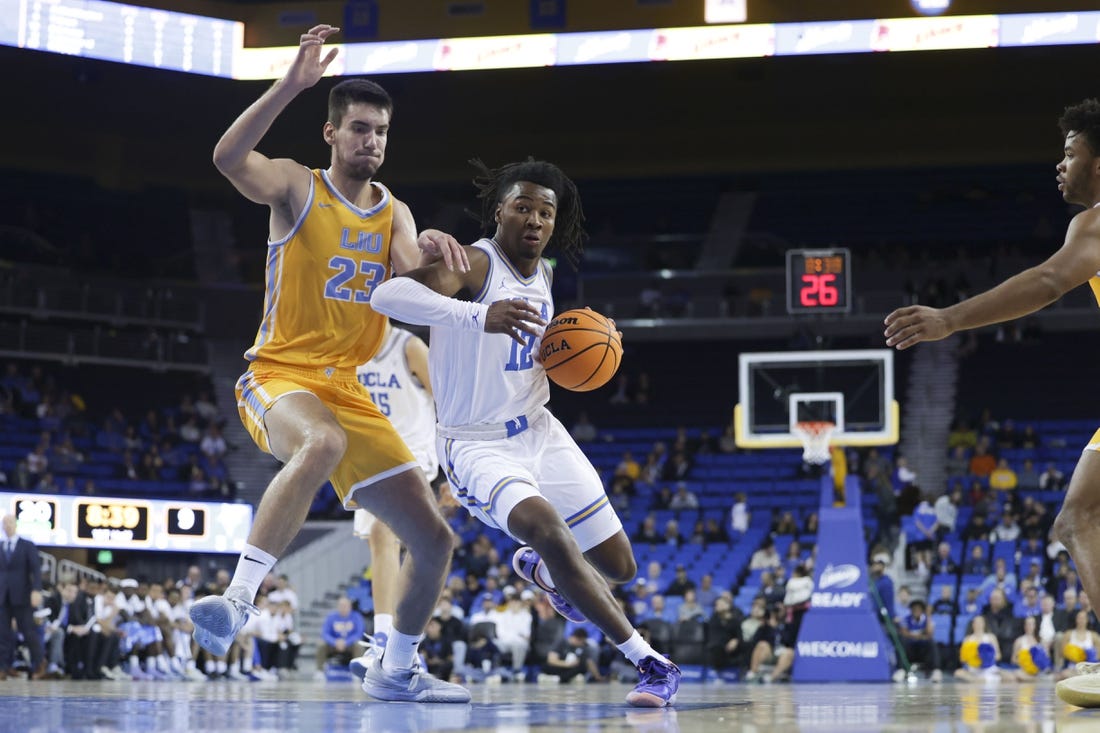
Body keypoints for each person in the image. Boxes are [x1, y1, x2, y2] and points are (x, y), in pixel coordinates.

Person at [186, 24, 470, 704]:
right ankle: (238, 601)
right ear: (331, 134)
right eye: (361, 129)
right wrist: (290, 84)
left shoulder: (393, 209)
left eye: (381, 133)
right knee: (322, 440)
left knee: (434, 541)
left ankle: (395, 667)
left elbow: (420, 285)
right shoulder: (295, 186)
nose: (372, 141)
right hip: (280, 374)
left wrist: (442, 254)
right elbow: (227, 157)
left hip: (348, 386)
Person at [369, 158, 680, 707]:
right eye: (523, 207)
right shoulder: (475, 266)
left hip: (540, 427)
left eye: (546, 212)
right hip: (476, 443)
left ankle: (544, 571)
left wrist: (583, 351)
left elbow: (533, 352)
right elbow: (386, 298)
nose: (535, 220)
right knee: (548, 529)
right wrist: (475, 316)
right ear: (499, 213)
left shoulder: (548, 274)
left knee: (619, 567)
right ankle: (650, 662)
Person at [886, 99, 1100, 686]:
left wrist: (949, 319)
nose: (1059, 164)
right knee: (1076, 519)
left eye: (1070, 152)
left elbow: (1049, 279)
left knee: (1079, 519)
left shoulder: (1097, 222)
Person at [347, 318, 454, 679]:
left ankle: (384, 640)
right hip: (370, 459)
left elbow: (448, 404)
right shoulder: (347, 350)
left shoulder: (407, 346)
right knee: (382, 544)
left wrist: (454, 468)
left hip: (412, 453)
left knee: (383, 533)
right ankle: (396, 647)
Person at [0, 514, 46, 679]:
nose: (7, 526)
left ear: (15, 524)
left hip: (23, 595)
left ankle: (39, 663)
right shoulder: (1, 545)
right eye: (4, 523)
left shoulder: (27, 545)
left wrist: (36, 590)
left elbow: (36, 570)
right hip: (3, 596)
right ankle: (3, 667)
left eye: (10, 523)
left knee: (28, 631)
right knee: (3, 632)